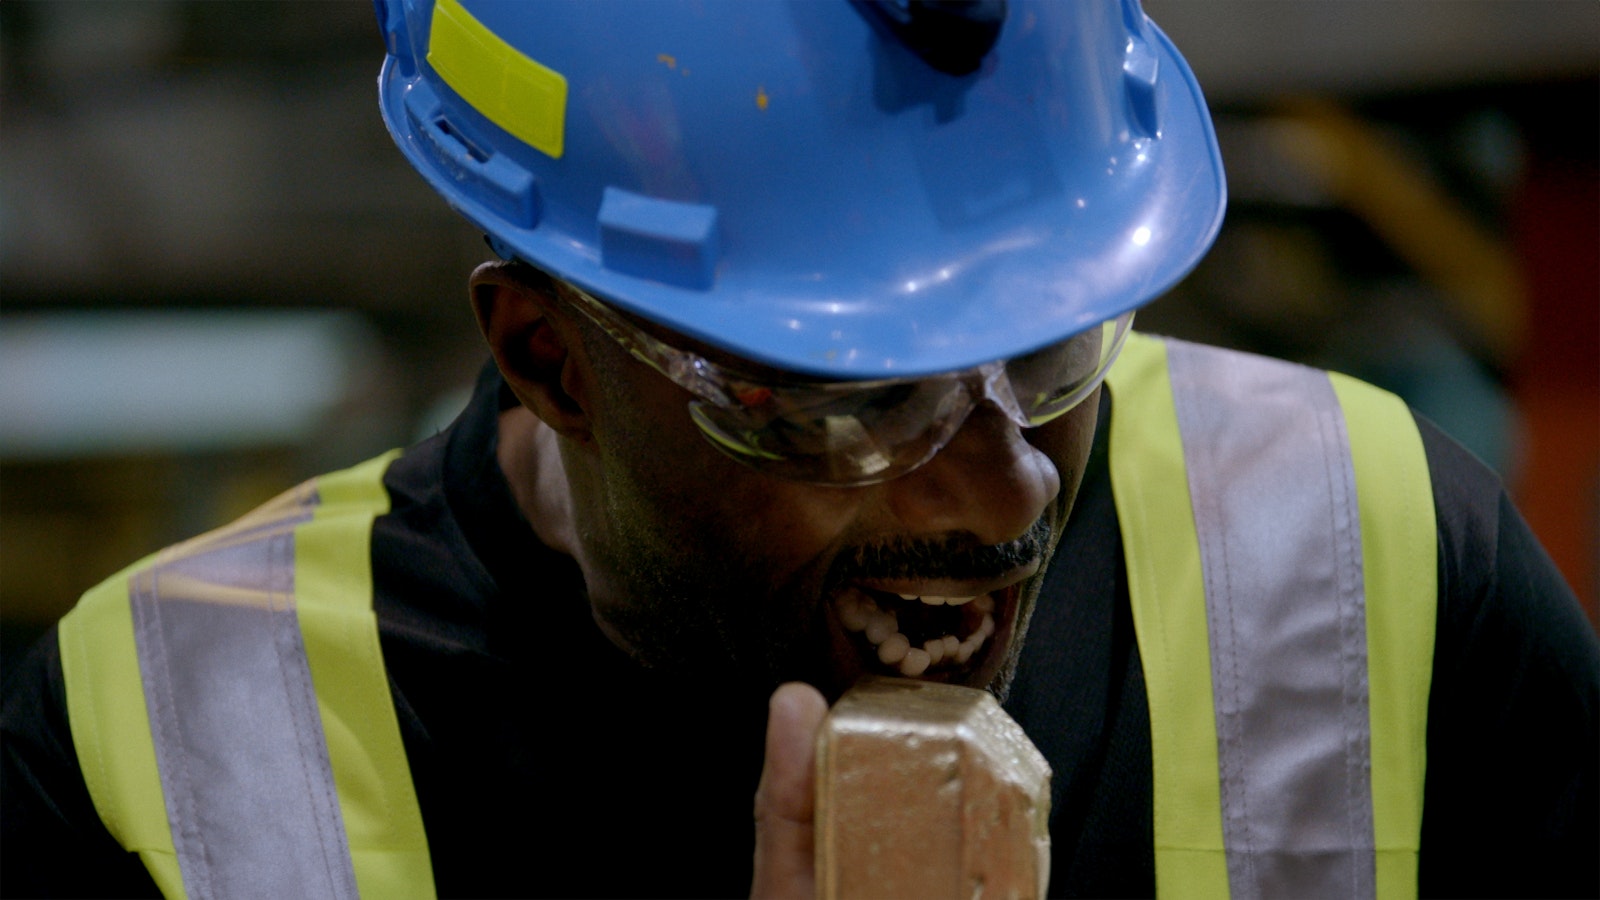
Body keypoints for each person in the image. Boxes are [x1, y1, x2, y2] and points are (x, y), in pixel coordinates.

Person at [3, 1, 1596, 898]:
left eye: (1049, 352)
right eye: (846, 405)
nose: (1007, 484)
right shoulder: (172, 765)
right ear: (548, 357)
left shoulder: (1365, 573)